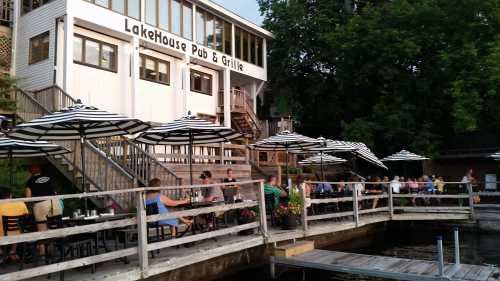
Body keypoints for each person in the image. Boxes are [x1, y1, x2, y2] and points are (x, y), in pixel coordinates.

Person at [25, 165, 61, 232]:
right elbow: (56, 191)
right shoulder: (50, 177)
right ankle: (56, 241)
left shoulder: (30, 181)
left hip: (40, 204)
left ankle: (43, 242)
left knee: (42, 230)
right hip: (54, 202)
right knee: (56, 227)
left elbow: (28, 197)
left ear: (30, 172)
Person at [0, 188, 29, 262]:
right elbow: (26, 216)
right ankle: (13, 251)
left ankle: (2, 253)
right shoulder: (20, 203)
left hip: (2, 234)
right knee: (16, 229)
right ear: (10, 195)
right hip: (17, 233)